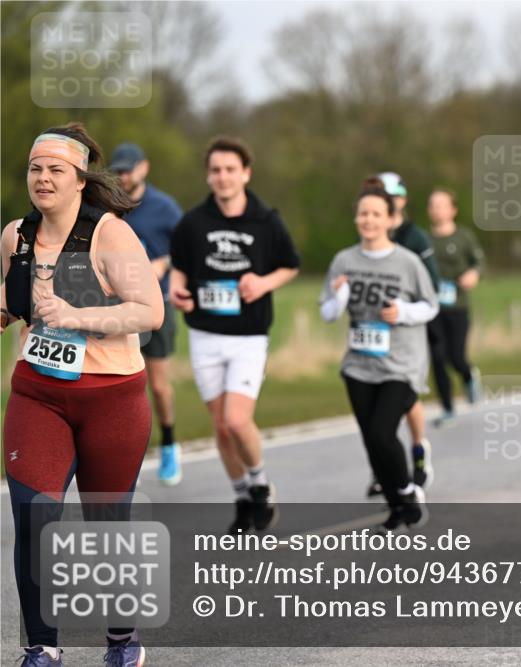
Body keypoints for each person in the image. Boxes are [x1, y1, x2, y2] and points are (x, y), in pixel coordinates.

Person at [1, 123, 163, 666]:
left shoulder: (111, 235)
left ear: (79, 180)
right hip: (37, 396)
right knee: (34, 518)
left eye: (56, 170)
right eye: (35, 169)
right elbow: (13, 302)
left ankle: (122, 640)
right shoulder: (16, 236)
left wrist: (77, 316)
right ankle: (42, 647)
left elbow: (150, 311)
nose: (43, 179)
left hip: (112, 399)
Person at [169, 137, 300, 534]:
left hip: (248, 335)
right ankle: (242, 497)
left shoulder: (266, 220)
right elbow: (179, 268)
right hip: (205, 334)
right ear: (208, 176)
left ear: (246, 173)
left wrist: (262, 283)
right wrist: (177, 291)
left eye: (230, 169)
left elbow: (290, 265)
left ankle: (260, 484)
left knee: (237, 419)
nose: (223, 177)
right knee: (221, 426)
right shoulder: (193, 223)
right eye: (216, 170)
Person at [319, 179, 438, 531]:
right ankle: (396, 507)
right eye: (363, 214)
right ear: (356, 218)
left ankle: (407, 491)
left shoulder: (407, 262)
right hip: (359, 364)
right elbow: (327, 312)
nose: (368, 220)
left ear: (390, 219)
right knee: (372, 440)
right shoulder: (344, 260)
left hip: (400, 364)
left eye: (375, 214)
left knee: (383, 433)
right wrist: (340, 299)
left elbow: (430, 305)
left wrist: (403, 312)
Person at [112, 143, 184, 485]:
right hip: (118, 306)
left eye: (128, 170)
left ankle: (169, 444)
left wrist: (164, 263)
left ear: (144, 168)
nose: (123, 176)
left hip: (158, 304)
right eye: (118, 171)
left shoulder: (164, 207)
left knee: (157, 385)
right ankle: (128, 458)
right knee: (122, 385)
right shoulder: (109, 206)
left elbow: (187, 247)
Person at [366, 171, 441, 495]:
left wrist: (404, 309)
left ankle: (418, 450)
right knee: (376, 403)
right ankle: (383, 468)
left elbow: (432, 287)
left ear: (401, 199)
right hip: (374, 332)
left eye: (390, 196)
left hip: (407, 332)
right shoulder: (369, 233)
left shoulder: (415, 238)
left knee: (406, 399)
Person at [427, 188, 486, 419]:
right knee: (437, 357)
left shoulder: (463, 237)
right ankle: (447, 407)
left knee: (456, 357)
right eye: (433, 205)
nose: (437, 210)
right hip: (432, 309)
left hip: (457, 306)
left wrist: (473, 274)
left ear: (453, 210)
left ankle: (469, 376)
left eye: (442, 205)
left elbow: (479, 262)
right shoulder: (425, 239)